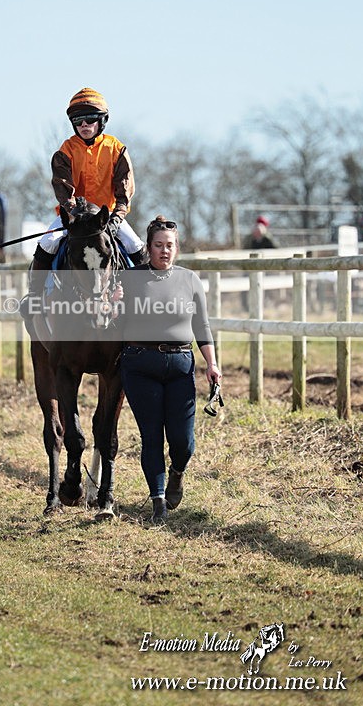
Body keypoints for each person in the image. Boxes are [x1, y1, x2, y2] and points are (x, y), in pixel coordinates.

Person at [118, 216, 222, 524]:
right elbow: (110, 323)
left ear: (177, 249)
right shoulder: (129, 278)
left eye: (170, 246)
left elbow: (201, 325)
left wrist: (212, 363)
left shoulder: (189, 279)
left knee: (183, 441)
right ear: (148, 248)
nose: (165, 251)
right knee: (151, 436)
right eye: (159, 245)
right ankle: (158, 501)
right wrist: (110, 305)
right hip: (140, 365)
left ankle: (178, 472)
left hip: (180, 366)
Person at [21, 88, 145, 324]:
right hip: (74, 216)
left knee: (134, 245)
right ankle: (35, 297)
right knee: (47, 242)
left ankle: (150, 297)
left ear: (102, 121)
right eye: (78, 121)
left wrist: (118, 216)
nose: (84, 125)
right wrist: (73, 210)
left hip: (106, 217)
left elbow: (125, 190)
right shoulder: (65, 151)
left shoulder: (117, 149)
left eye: (90, 120)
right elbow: (62, 187)